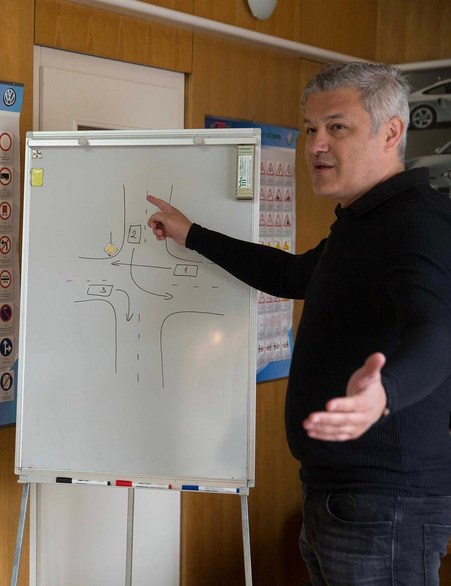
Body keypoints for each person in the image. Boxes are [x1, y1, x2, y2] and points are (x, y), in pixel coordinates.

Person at [147, 62, 451, 585]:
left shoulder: (417, 221)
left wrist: (384, 394)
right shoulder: (363, 222)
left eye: (338, 127)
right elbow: (291, 275)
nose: (315, 146)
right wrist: (192, 234)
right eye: (310, 129)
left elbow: (438, 331)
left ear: (391, 133)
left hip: (386, 504)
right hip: (338, 495)